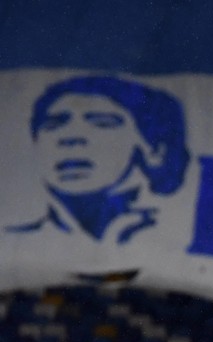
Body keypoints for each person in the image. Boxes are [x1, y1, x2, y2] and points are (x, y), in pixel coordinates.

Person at [5, 76, 190, 244]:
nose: (71, 136)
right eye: (53, 125)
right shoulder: (13, 242)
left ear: (154, 150)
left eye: (102, 123)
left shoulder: (176, 241)